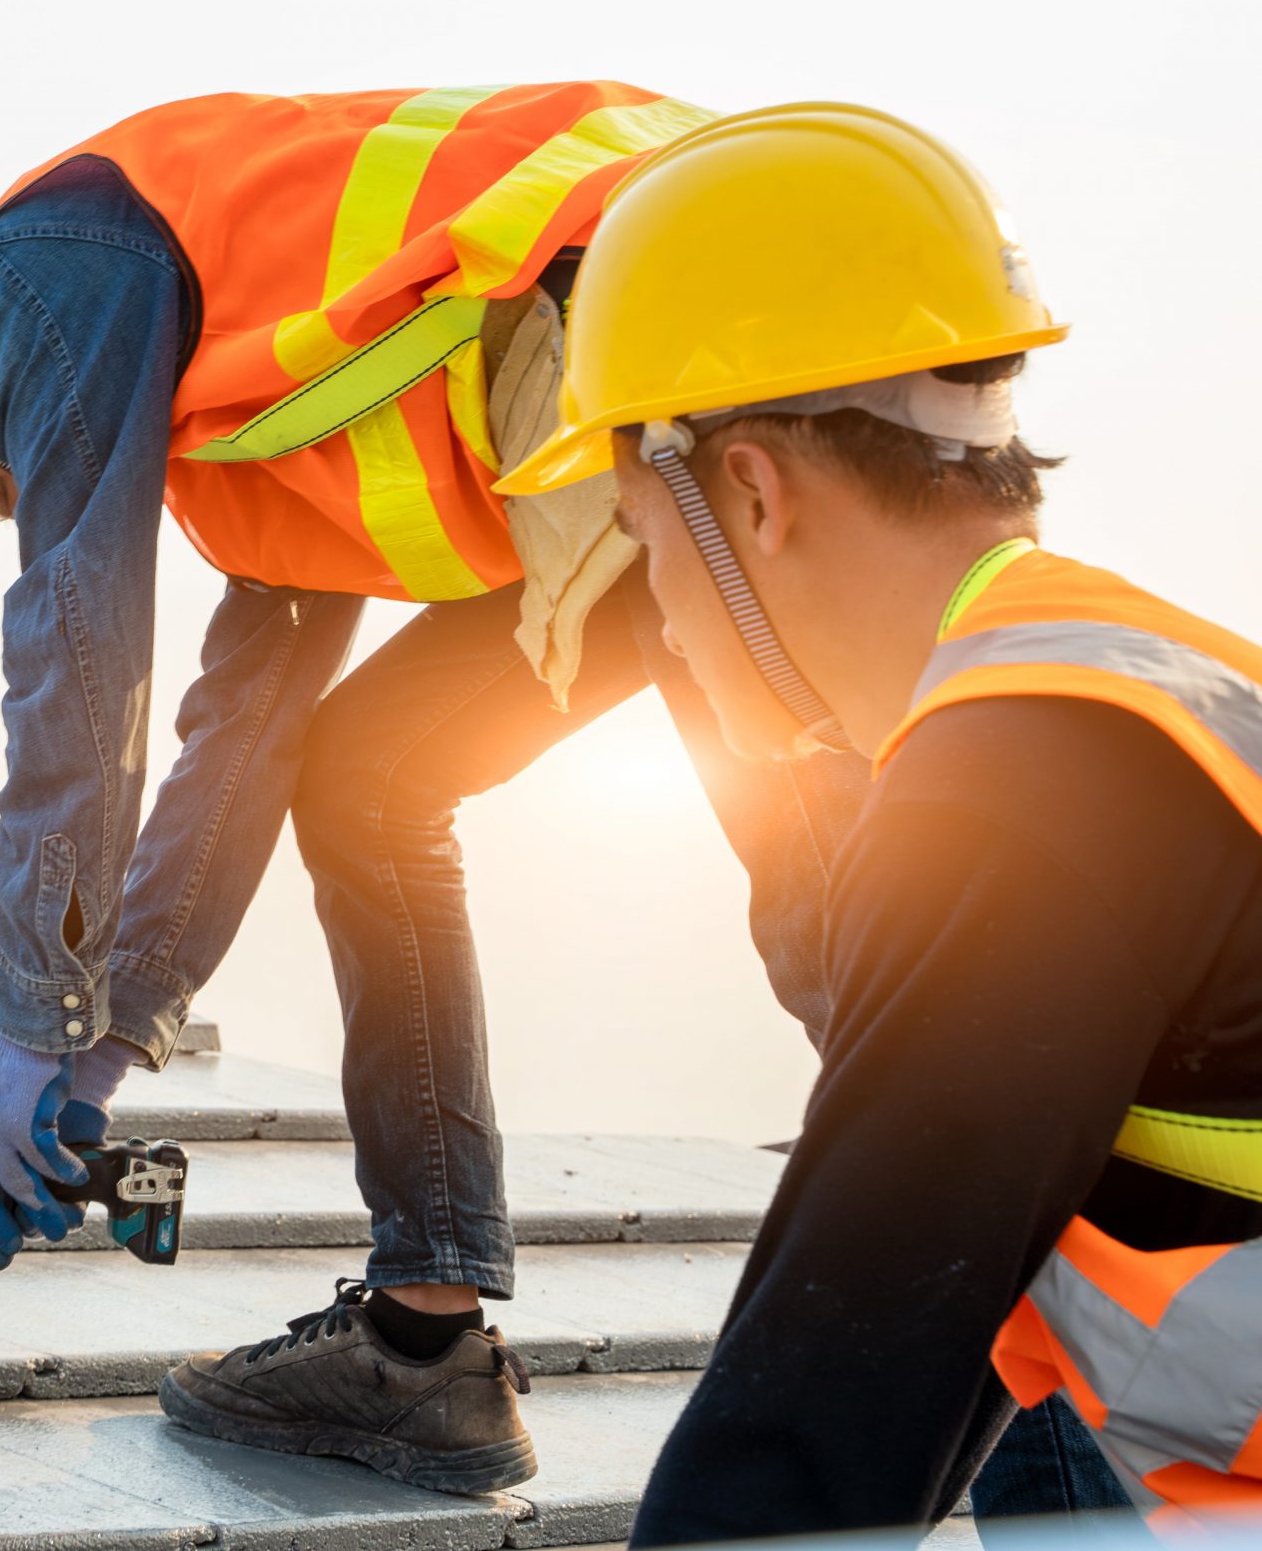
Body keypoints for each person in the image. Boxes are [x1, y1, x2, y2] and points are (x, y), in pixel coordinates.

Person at [0, 83, 866, 1492]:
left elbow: (82, 644)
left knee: (828, 891)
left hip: (685, 325)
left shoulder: (42, 261)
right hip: (612, 413)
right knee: (365, 783)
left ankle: (1055, 1329)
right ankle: (427, 1349)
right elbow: (241, 742)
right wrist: (108, 1036)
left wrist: (35, 1013)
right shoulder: (234, 410)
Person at [500, 101, 1262, 1539]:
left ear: (747, 493)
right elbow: (947, 1293)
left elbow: (805, 1448)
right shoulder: (1129, 687)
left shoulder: (1007, 796)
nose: (655, 611)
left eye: (641, 543)